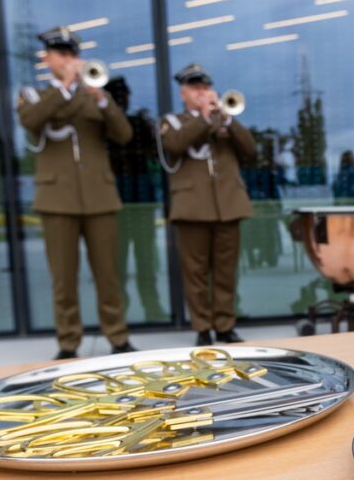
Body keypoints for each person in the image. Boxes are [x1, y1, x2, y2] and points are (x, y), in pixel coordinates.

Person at [17, 26, 135, 359]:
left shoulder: (94, 94)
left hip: (99, 196)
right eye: (63, 55)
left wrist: (101, 97)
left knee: (109, 274)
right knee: (63, 278)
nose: (70, 61)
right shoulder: (33, 95)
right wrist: (67, 88)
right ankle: (69, 343)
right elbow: (32, 121)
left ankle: (118, 337)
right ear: (49, 59)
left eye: (73, 55)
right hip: (57, 201)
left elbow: (124, 134)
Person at [158, 63, 256, 346]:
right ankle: (202, 328)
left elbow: (250, 150)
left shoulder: (222, 118)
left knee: (225, 271)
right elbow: (175, 145)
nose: (202, 92)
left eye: (204, 87)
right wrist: (203, 117)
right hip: (192, 209)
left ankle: (225, 326)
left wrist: (227, 120)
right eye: (195, 88)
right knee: (196, 273)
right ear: (183, 93)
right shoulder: (172, 121)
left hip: (228, 205)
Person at [103, 76, 167, 322]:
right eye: (119, 96)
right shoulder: (105, 126)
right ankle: (121, 312)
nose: (123, 100)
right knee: (117, 264)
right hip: (117, 202)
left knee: (145, 261)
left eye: (125, 95)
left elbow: (154, 154)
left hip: (141, 200)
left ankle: (151, 306)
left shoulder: (138, 124)